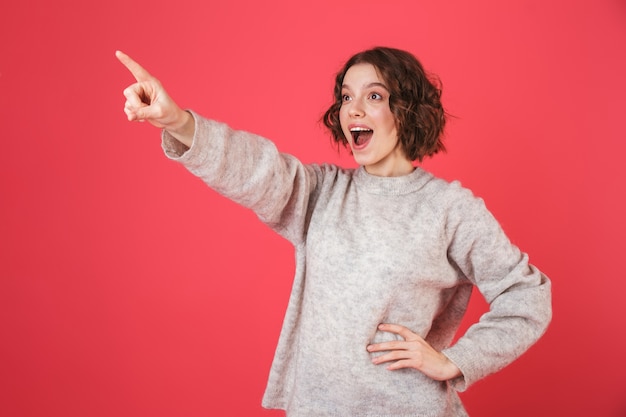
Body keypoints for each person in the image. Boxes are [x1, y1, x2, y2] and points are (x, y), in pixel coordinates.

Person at [116, 47, 552, 417]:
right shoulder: (322, 192)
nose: (354, 109)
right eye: (346, 97)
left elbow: (527, 297)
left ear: (408, 112)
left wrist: (455, 362)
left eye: (374, 95)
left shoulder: (449, 209)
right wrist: (177, 122)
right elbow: (255, 168)